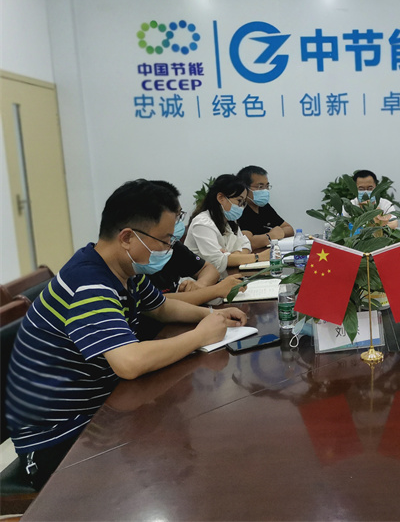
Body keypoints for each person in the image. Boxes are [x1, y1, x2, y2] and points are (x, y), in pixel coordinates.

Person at [4, 179, 247, 490]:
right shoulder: (90, 283)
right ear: (128, 237)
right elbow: (129, 363)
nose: (169, 249)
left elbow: (162, 308)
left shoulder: (122, 269)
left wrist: (212, 316)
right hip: (59, 437)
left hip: (100, 410)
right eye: (164, 241)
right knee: (172, 473)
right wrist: (200, 336)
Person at [149, 181, 244, 306]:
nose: (178, 222)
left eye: (180, 215)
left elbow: (208, 268)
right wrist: (216, 290)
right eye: (176, 216)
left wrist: (199, 286)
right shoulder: (136, 260)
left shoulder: (172, 244)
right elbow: (157, 303)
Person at [185, 174, 270, 275]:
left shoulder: (230, 220)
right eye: (239, 201)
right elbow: (217, 262)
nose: (241, 207)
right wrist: (258, 257)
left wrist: (232, 256)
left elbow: (246, 245)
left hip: (226, 275)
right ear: (221, 198)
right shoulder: (202, 223)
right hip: (199, 280)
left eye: (243, 203)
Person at [236, 165, 294, 250]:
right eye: (260, 187)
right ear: (245, 188)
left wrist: (277, 233)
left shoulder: (264, 207)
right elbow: (249, 242)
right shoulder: (239, 209)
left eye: (267, 186)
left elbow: (289, 229)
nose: (264, 190)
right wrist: (271, 235)